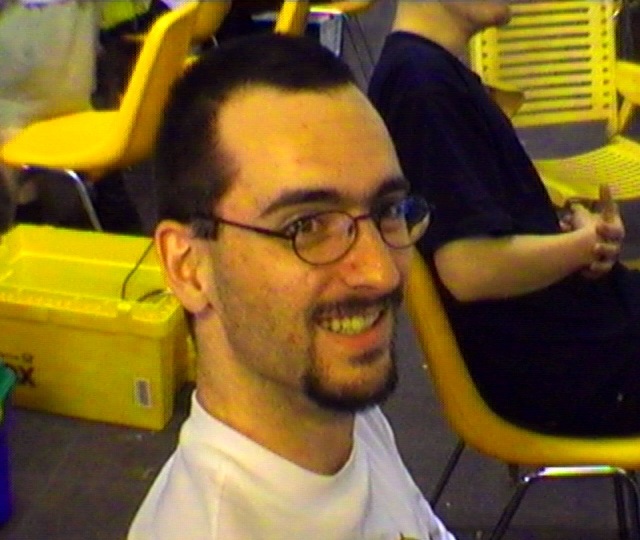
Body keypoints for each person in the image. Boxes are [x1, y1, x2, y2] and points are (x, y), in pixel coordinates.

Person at [128, 34, 455, 540]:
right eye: (306, 226)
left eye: (388, 209)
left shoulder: (337, 410)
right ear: (189, 266)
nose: (381, 273)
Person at [368, 0, 640, 436]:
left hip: (571, 342)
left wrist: (576, 239)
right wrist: (582, 245)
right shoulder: (426, 91)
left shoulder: (425, 74)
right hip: (566, 369)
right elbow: (470, 270)